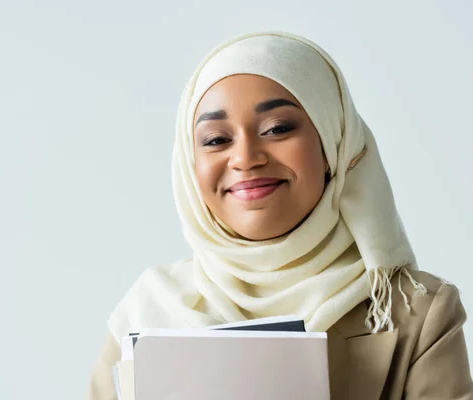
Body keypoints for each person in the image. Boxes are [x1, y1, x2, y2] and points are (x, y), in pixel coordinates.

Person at [86, 31, 473, 399]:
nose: (246, 158)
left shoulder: (411, 313)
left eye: (277, 128)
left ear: (333, 143)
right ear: (190, 166)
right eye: (217, 140)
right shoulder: (147, 309)